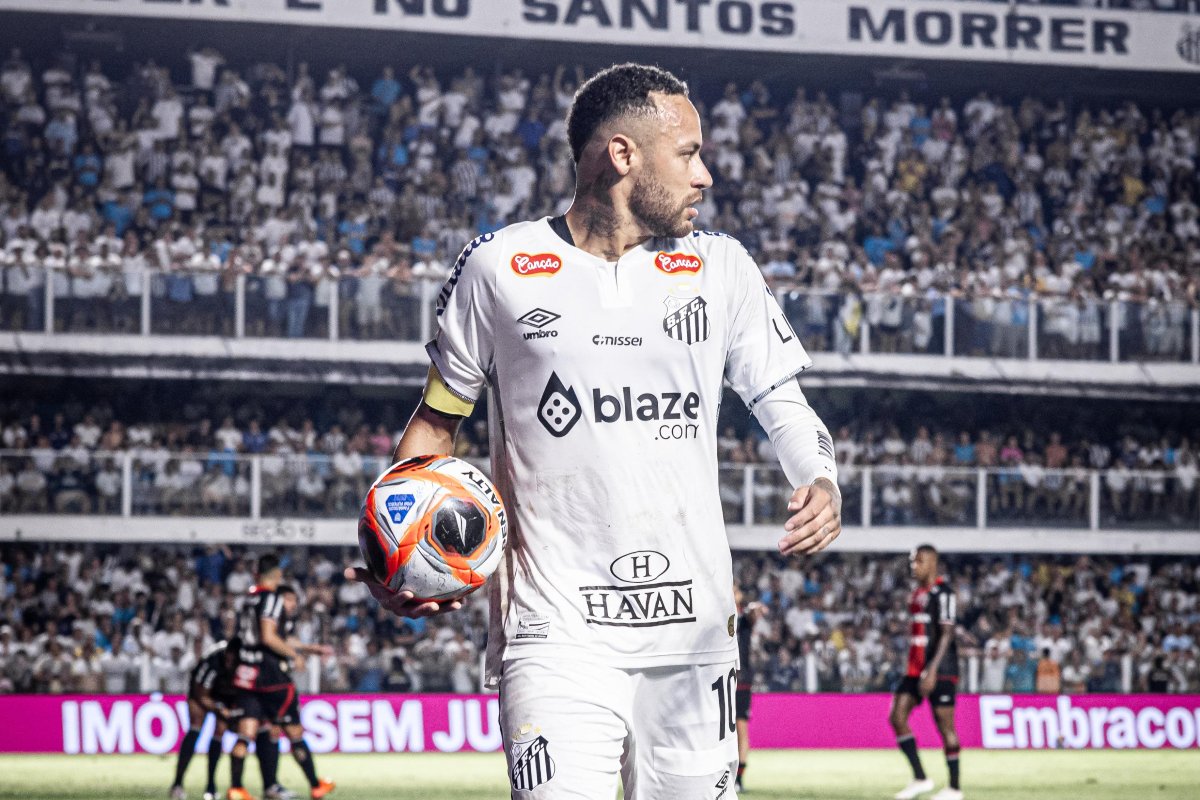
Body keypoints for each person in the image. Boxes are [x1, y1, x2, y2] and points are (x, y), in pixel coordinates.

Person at [347, 63, 841, 799]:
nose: (704, 175)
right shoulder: (498, 268)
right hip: (554, 636)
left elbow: (779, 395)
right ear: (622, 155)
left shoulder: (722, 267)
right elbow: (435, 425)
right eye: (688, 154)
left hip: (695, 635)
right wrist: (404, 550)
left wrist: (820, 475)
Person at [228, 556, 334, 800]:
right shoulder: (271, 599)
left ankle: (237, 788)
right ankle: (315, 784)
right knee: (294, 733)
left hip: (246, 674)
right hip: (271, 676)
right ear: (276, 575)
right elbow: (268, 637)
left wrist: (310, 649)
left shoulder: (248, 599)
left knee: (248, 732)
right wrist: (294, 656)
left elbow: (256, 635)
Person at [889, 545, 961, 800]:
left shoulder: (945, 593)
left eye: (918, 562)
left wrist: (932, 670)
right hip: (914, 668)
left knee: (945, 727)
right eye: (912, 562)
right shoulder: (918, 593)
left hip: (940, 670)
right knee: (897, 717)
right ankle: (920, 778)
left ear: (932, 563)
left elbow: (947, 633)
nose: (913, 566)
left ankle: (954, 788)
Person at [169, 638, 242, 800]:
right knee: (196, 728)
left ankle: (210, 785)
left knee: (220, 732)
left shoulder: (244, 663)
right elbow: (201, 693)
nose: (230, 662)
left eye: (234, 659)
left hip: (225, 695)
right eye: (229, 658)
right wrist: (219, 709)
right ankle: (177, 783)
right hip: (200, 693)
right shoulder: (212, 662)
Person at [734, 585, 767, 794]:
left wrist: (754, 607)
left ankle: (738, 779)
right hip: (719, 679)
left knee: (741, 730)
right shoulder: (717, 616)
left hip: (741, 681)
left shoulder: (743, 620)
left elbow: (755, 613)